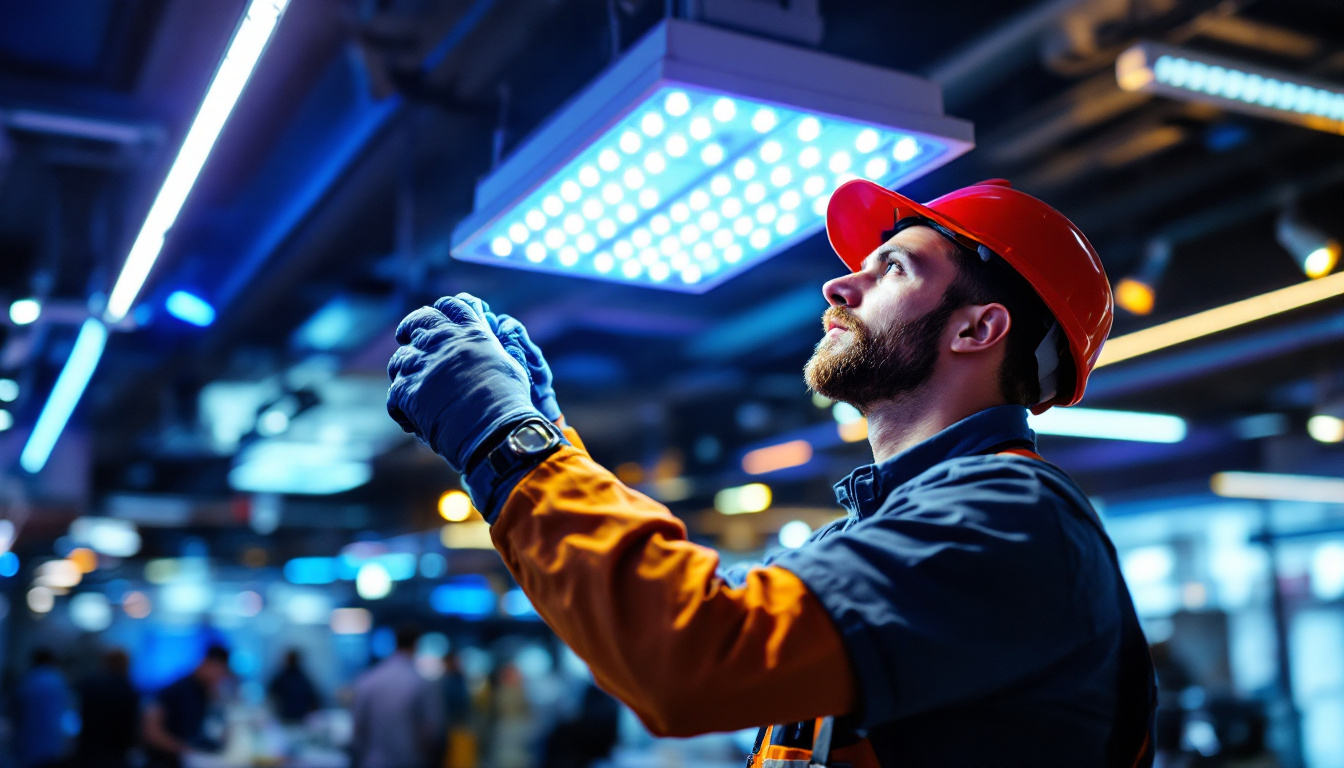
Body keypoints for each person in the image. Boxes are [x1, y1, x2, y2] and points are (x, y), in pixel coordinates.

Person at [386, 178, 1157, 766]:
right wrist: (553, 447)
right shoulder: (884, 526)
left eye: (892, 268)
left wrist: (514, 449)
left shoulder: (1010, 517)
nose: (839, 285)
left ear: (978, 327)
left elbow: (694, 654)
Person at [350, 625, 443, 768]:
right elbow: (431, 730)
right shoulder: (421, 683)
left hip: (373, 761)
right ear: (416, 645)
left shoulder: (369, 679)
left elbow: (358, 726)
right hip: (410, 761)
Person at [142, 644, 233, 768]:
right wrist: (183, 750)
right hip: (167, 761)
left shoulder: (202, 690)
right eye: (220, 671)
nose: (220, 678)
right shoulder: (177, 688)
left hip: (189, 757)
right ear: (208, 663)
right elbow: (151, 731)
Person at [75, 648, 141, 768]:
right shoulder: (128, 690)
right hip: (116, 753)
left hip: (88, 749)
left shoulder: (90, 685)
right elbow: (130, 727)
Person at [15, 648, 70, 768]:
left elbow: (17, 709)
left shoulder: (28, 680)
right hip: (52, 742)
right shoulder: (58, 680)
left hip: (28, 740)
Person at [268, 648, 321, 724]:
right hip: (286, 717)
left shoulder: (303, 678)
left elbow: (314, 698)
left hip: (301, 718)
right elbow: (272, 695)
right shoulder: (281, 678)